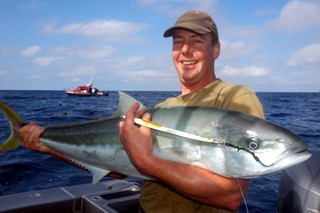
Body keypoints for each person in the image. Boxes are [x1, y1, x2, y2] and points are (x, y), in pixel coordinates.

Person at [20, 10, 264, 213]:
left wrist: (147, 160)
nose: (185, 50)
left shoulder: (234, 97)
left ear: (216, 50)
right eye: (178, 42)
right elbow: (117, 170)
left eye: (197, 41)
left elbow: (231, 196)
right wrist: (47, 146)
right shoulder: (160, 110)